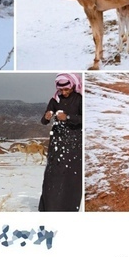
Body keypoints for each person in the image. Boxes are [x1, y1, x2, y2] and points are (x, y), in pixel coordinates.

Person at [38, 73, 83, 212]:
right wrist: (47, 117)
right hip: (57, 141)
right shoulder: (54, 100)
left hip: (74, 141)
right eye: (61, 90)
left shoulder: (80, 99)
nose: (64, 92)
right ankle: (50, 207)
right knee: (53, 173)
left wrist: (67, 117)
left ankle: (68, 207)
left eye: (66, 89)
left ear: (72, 86)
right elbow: (43, 121)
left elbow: (84, 119)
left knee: (70, 174)